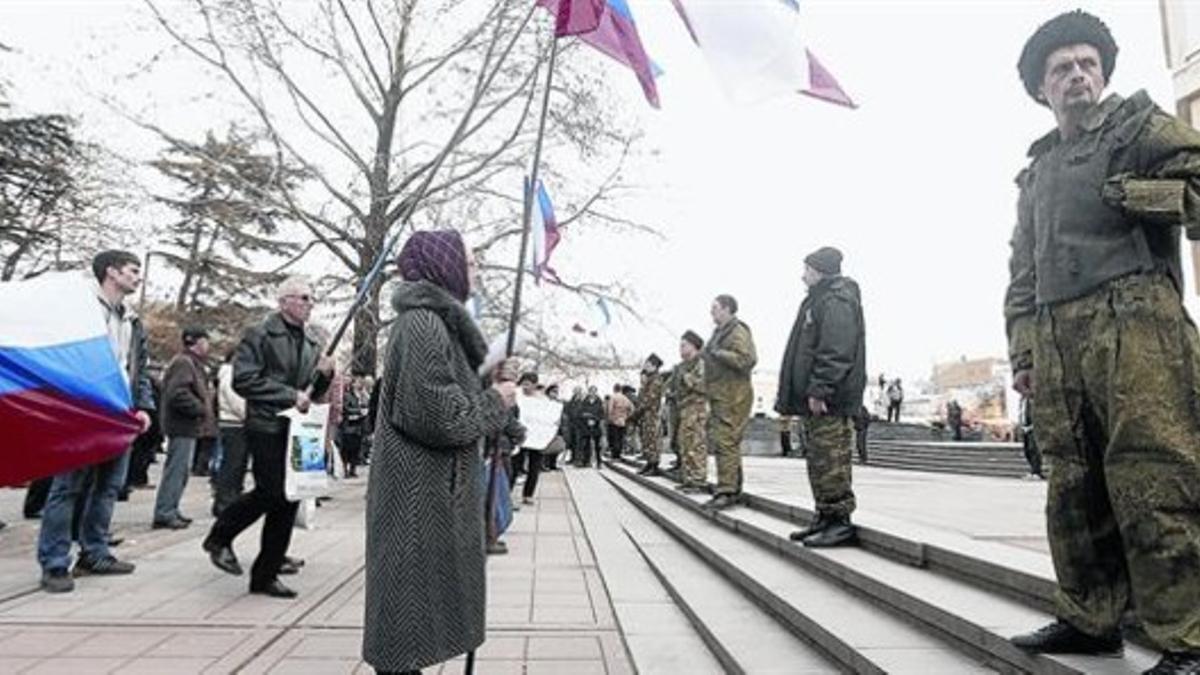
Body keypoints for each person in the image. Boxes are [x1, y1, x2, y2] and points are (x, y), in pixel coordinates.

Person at [1004, 12, 1200, 673]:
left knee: (1154, 474)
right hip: (1059, 336)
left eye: (1088, 64)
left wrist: (1138, 195)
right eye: (1062, 69)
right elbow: (1022, 270)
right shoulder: (1036, 173)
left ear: (1104, 73)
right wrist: (1024, 350)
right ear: (1042, 89)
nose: (1078, 75)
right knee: (1072, 481)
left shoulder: (1139, 126)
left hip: (1137, 325)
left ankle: (1189, 639)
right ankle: (1091, 618)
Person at [362, 230, 518, 675]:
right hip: (418, 497)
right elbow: (439, 417)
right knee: (403, 630)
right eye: (469, 262)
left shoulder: (435, 324)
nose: (476, 270)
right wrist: (496, 402)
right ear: (443, 265)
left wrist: (486, 380)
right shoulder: (425, 325)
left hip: (428, 493)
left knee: (414, 620)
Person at [201, 276, 333, 599]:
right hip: (266, 425)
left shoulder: (312, 341)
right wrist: (288, 395)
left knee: (288, 499)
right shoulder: (259, 335)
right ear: (284, 301)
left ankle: (266, 573)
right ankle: (220, 535)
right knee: (270, 491)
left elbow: (312, 391)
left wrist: (325, 376)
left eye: (311, 298)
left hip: (297, 428)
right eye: (303, 297)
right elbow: (244, 380)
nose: (308, 303)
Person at [37, 250, 154, 593]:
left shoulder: (131, 321)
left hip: (119, 412)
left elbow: (138, 368)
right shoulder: (80, 313)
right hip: (82, 411)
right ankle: (55, 561)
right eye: (133, 270)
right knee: (68, 487)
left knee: (108, 487)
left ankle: (95, 550)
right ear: (111, 272)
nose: (138, 277)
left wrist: (142, 405)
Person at [776, 247, 866, 548]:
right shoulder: (819, 299)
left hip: (830, 399)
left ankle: (840, 521)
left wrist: (820, 388)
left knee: (831, 458)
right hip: (816, 400)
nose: (803, 276)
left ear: (820, 270)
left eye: (807, 270)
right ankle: (825, 516)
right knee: (817, 459)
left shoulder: (837, 299)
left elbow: (836, 349)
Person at [152, 327, 214, 530]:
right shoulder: (183, 363)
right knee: (176, 470)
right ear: (196, 342)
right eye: (205, 341)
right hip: (182, 425)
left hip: (189, 426)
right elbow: (177, 393)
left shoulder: (192, 364)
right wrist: (201, 408)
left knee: (182, 471)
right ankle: (165, 511)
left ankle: (171, 507)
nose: (208, 345)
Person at [702, 294, 757, 510]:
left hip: (734, 395)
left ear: (727, 309)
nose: (712, 312)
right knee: (725, 442)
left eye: (715, 308)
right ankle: (732, 487)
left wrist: (718, 353)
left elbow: (747, 360)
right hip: (721, 394)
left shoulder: (737, 330)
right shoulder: (719, 333)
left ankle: (727, 490)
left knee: (726, 441)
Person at [212, 349, 247, 517]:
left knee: (237, 465)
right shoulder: (230, 374)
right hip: (233, 423)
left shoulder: (234, 373)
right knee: (231, 465)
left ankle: (231, 499)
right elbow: (236, 400)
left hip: (237, 423)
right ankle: (224, 502)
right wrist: (249, 414)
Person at [673, 331, 708, 493]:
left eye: (684, 345)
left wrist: (687, 378)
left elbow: (704, 386)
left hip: (697, 408)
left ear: (694, 346)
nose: (680, 349)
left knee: (696, 444)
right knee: (685, 445)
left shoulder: (701, 363)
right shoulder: (683, 366)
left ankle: (698, 480)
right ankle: (688, 478)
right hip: (685, 409)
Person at [632, 354, 666, 475]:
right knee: (647, 439)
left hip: (652, 414)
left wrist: (638, 411)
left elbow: (649, 399)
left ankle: (654, 465)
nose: (645, 366)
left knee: (653, 439)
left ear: (654, 366)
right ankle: (649, 463)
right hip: (646, 414)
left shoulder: (656, 379)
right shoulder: (649, 379)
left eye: (648, 364)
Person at [338, 376, 368, 478]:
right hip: (349, 426)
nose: (360, 384)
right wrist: (359, 411)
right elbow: (346, 408)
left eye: (361, 383)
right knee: (347, 449)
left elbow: (366, 405)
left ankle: (353, 470)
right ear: (353, 384)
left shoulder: (361, 395)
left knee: (356, 449)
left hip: (359, 426)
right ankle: (345, 470)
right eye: (358, 383)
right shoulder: (347, 395)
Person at [576, 386, 604, 467]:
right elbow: (580, 413)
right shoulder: (584, 402)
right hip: (586, 426)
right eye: (591, 391)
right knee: (586, 444)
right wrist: (586, 419)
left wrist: (594, 419)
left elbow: (601, 414)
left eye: (594, 391)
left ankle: (599, 461)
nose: (592, 393)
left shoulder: (599, 402)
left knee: (597, 445)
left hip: (596, 426)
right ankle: (586, 461)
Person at [605, 384, 633, 460]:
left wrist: (610, 418)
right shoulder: (625, 398)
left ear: (614, 389)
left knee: (614, 438)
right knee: (620, 437)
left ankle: (615, 454)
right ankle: (619, 453)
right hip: (623, 420)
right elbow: (631, 408)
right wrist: (627, 417)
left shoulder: (613, 397)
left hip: (614, 420)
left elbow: (610, 409)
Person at [1019, 397, 1043, 480]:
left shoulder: (1032, 400)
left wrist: (1032, 425)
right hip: (1024, 428)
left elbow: (1035, 414)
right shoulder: (1022, 400)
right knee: (1027, 451)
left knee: (1033, 449)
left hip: (1032, 428)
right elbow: (1021, 414)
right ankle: (1032, 470)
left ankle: (1037, 472)